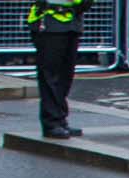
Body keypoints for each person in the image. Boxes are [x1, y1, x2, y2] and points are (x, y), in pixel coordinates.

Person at [27, 0, 88, 139]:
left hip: (72, 21)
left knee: (65, 75)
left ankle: (60, 119)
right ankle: (51, 123)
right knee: (50, 75)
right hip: (50, 21)